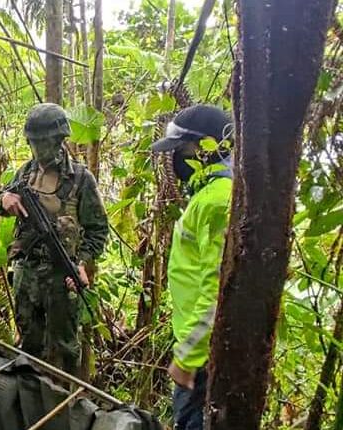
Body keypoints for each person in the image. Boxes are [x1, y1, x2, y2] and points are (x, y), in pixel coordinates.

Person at [0, 103, 108, 375]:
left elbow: (97, 230)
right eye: (33, 142)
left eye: (42, 142)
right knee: (28, 345)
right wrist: (5, 199)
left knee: (65, 349)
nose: (37, 149)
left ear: (59, 140)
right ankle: (32, 402)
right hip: (27, 274)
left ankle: (67, 408)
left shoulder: (80, 179)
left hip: (62, 276)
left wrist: (82, 264)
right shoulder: (24, 173)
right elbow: (1, 199)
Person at [151, 105, 234, 430]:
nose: (175, 160)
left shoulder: (217, 201)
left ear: (204, 148)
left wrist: (187, 358)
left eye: (180, 150)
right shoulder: (210, 194)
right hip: (200, 351)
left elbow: (216, 289)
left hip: (202, 358)